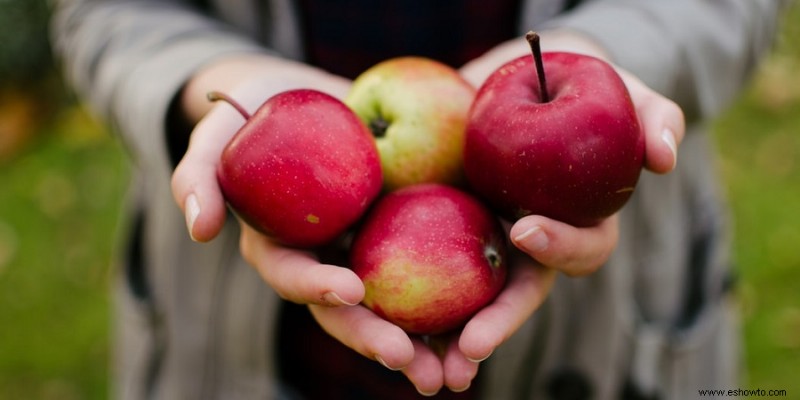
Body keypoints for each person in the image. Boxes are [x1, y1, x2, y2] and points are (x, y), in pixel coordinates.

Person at [51, 1, 787, 399]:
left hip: (606, 330)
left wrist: (594, 45)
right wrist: (208, 76)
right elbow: (99, 13)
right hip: (236, 339)